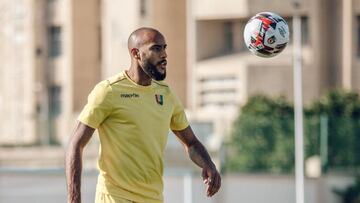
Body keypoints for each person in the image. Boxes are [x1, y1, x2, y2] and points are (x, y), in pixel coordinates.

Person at [66, 27, 221, 203]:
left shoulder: (167, 94)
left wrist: (208, 164)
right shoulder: (108, 91)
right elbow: (75, 144)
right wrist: (74, 199)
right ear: (136, 54)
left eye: (164, 48)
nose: (164, 55)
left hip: (153, 198)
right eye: (156, 48)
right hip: (115, 196)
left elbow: (191, 143)